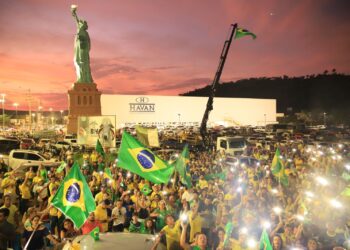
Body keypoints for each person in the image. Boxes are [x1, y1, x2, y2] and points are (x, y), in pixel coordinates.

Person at [71, 6, 93, 83]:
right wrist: (74, 13)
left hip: (83, 51)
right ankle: (80, 78)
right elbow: (77, 21)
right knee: (77, 62)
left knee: (82, 63)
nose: (80, 24)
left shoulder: (85, 33)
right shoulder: (79, 29)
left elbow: (88, 43)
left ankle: (84, 79)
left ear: (84, 26)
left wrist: (82, 42)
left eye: (82, 23)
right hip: (78, 49)